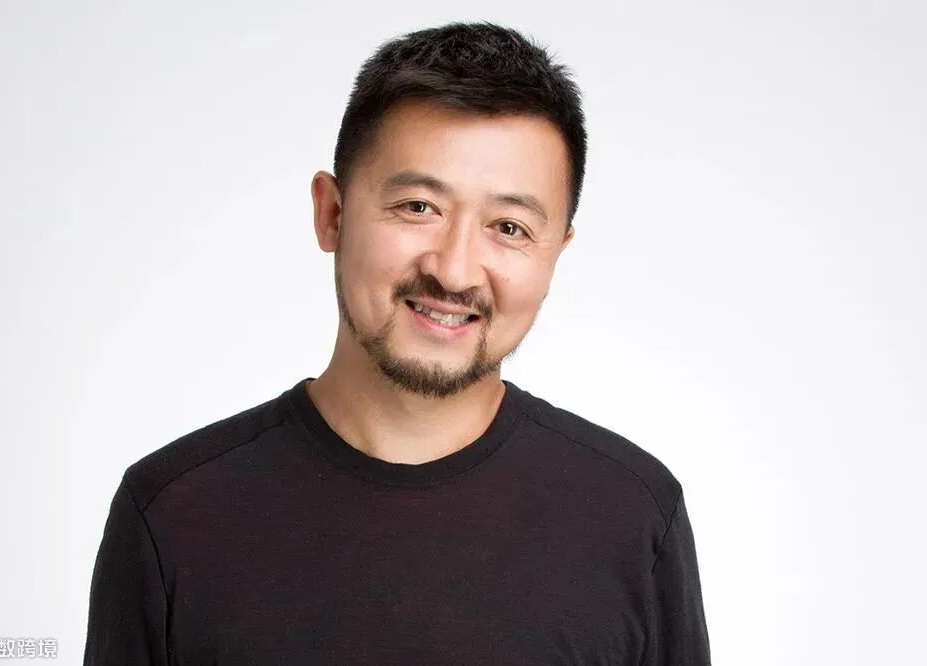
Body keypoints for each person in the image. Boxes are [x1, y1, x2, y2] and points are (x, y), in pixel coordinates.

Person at [83, 21, 711, 665]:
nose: (455, 272)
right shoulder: (173, 513)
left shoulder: (633, 515)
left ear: (556, 251)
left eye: (509, 227)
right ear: (332, 213)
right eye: (418, 207)